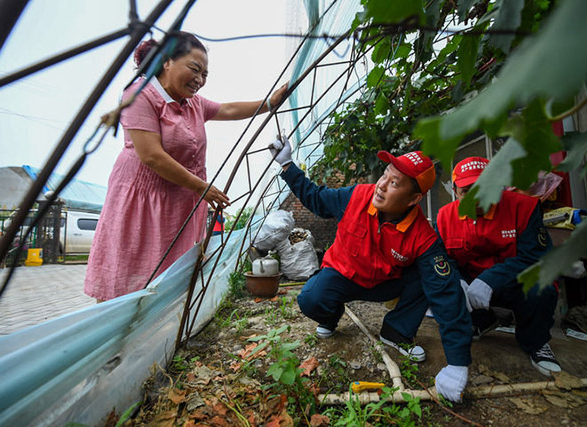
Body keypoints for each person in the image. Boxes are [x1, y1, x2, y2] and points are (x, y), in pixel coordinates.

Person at [84, 32, 287, 302]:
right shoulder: (140, 94)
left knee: (169, 277)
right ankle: (115, 334)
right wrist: (203, 188)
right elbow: (152, 156)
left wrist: (270, 103)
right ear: (167, 61)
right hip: (142, 200)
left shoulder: (193, 104)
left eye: (205, 74)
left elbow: (227, 109)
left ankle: (158, 333)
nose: (200, 80)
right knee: (129, 272)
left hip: (179, 201)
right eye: (194, 69)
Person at [269, 136, 472, 402]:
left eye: (395, 183)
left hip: (384, 284)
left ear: (414, 199)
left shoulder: (423, 236)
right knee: (310, 299)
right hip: (342, 275)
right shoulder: (357, 196)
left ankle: (396, 332)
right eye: (385, 176)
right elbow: (318, 199)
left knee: (430, 278)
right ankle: (330, 316)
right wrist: (287, 165)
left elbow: (445, 293)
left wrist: (458, 363)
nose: (382, 186)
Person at [436, 157, 561, 376]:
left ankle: (536, 342)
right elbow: (441, 260)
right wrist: (457, 282)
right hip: (471, 284)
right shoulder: (444, 216)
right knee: (440, 280)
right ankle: (481, 321)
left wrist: (491, 280)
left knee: (542, 286)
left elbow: (537, 256)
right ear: (454, 191)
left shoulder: (524, 207)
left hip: (515, 282)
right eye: (466, 191)